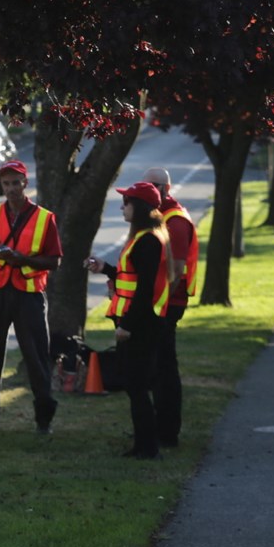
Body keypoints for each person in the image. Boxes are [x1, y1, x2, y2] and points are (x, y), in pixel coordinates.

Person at [0, 159, 62, 434]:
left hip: (28, 293)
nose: (11, 188)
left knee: (36, 357)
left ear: (26, 183)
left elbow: (54, 261)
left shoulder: (44, 217)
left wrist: (21, 259)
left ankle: (43, 420)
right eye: (6, 183)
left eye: (15, 183)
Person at [86, 182, 173, 460]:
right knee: (135, 385)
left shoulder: (147, 239)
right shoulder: (144, 237)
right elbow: (133, 278)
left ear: (140, 207)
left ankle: (147, 448)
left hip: (140, 325)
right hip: (139, 322)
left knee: (136, 385)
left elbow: (146, 290)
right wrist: (106, 269)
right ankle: (142, 444)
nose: (122, 207)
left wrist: (127, 326)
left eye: (127, 202)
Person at [142, 167, 198, 448]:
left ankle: (167, 431)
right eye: (146, 185)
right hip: (162, 304)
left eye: (154, 186)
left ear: (166, 188)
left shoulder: (174, 221)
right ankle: (159, 427)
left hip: (167, 305)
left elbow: (175, 273)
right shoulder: (162, 216)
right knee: (156, 368)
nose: (149, 190)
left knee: (164, 369)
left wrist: (156, 308)